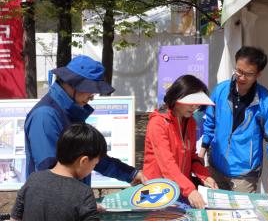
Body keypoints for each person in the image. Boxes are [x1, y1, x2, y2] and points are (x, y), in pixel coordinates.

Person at [24, 55, 145, 187]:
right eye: (91, 90)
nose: (92, 98)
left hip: (73, 200)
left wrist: (131, 174)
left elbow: (92, 157)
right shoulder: (45, 116)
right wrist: (81, 202)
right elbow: (50, 173)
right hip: (52, 203)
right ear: (75, 84)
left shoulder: (71, 111)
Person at [199, 46, 268, 195]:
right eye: (238, 71)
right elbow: (209, 124)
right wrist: (201, 154)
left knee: (241, 216)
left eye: (248, 74)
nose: (241, 77)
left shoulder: (265, 100)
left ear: (258, 74)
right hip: (215, 166)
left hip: (245, 173)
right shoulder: (220, 91)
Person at [143, 75, 218, 209]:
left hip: (180, 190)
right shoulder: (158, 123)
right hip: (158, 193)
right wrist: (190, 190)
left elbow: (192, 157)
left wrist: (205, 176)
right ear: (178, 97)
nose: (195, 107)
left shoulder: (190, 122)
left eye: (197, 103)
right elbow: (167, 164)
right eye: (191, 102)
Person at [11, 123, 106, 221]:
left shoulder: (33, 179)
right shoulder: (84, 193)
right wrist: (88, 207)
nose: (93, 168)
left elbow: (14, 219)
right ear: (84, 161)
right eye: (95, 163)